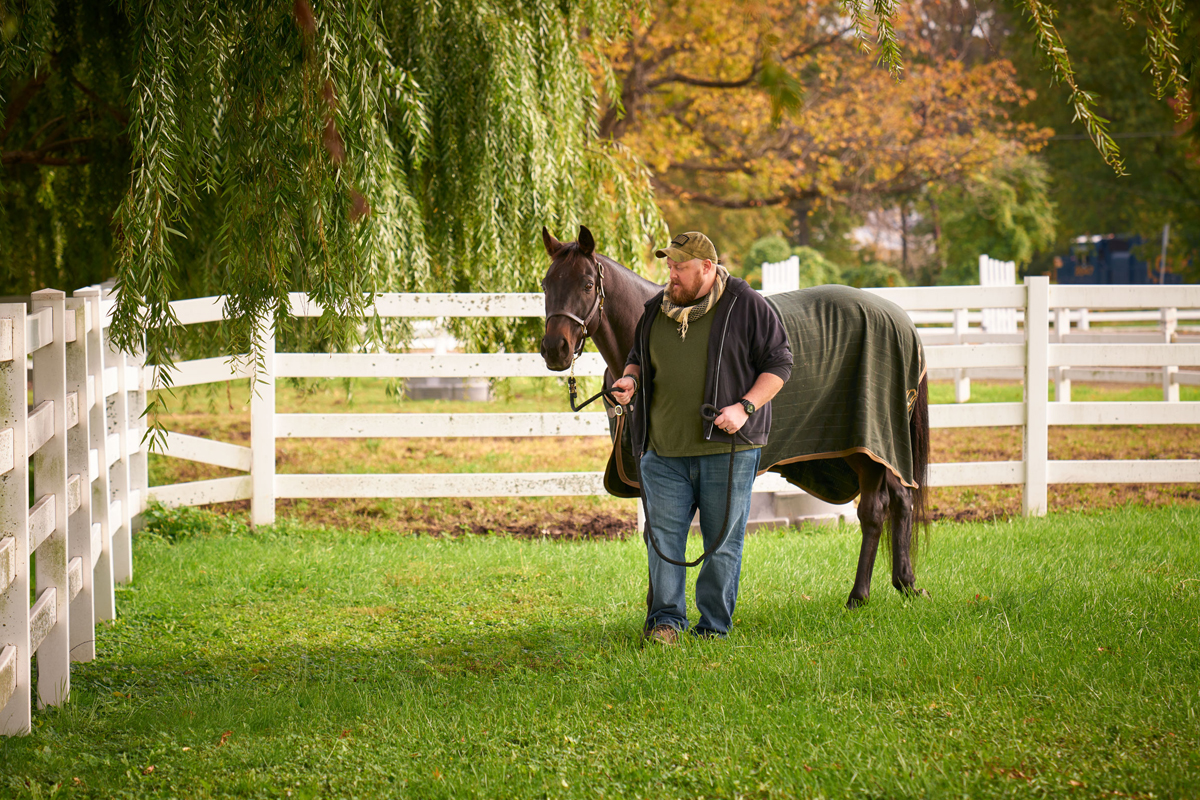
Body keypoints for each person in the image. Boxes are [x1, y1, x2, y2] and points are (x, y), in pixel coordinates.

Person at [609, 231, 792, 643]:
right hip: (663, 450)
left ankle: (712, 628)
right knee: (662, 542)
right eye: (669, 266)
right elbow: (638, 356)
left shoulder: (747, 305)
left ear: (707, 268)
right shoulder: (656, 308)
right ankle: (666, 623)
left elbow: (780, 363)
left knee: (722, 543)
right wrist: (630, 380)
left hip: (726, 450)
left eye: (681, 267)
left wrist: (744, 407)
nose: (671, 275)